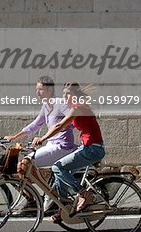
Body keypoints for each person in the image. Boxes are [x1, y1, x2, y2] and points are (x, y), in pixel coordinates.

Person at [33, 82, 105, 222]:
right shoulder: (75, 108)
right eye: (64, 93)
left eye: (68, 94)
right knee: (62, 175)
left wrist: (43, 138)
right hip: (87, 147)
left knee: (57, 167)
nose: (65, 96)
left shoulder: (78, 108)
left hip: (92, 149)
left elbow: (60, 125)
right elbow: (63, 126)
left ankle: (83, 193)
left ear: (75, 95)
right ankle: (63, 209)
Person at [4, 76, 77, 212]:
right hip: (51, 145)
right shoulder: (46, 105)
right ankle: (33, 198)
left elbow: (72, 119)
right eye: (37, 90)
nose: (37, 93)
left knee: (26, 163)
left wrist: (64, 127)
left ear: (49, 90)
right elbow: (35, 125)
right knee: (21, 167)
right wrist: (14, 137)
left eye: (40, 90)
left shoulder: (60, 103)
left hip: (62, 146)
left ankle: (50, 195)